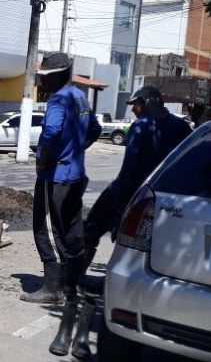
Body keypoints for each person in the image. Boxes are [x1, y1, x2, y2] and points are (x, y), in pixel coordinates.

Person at [81, 85, 192, 272]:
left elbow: (129, 169)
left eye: (137, 104)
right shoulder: (181, 127)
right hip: (162, 196)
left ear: (147, 103)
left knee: (90, 230)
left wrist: (120, 208)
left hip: (128, 192)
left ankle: (71, 282)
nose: (133, 109)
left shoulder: (140, 126)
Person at [21, 52, 101, 308]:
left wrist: (42, 160)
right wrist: (75, 151)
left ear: (58, 76)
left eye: (45, 78)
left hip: (54, 177)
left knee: (47, 229)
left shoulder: (58, 100)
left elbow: (51, 131)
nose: (42, 83)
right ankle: (73, 283)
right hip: (75, 176)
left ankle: (53, 289)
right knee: (71, 230)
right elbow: (95, 130)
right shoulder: (80, 98)